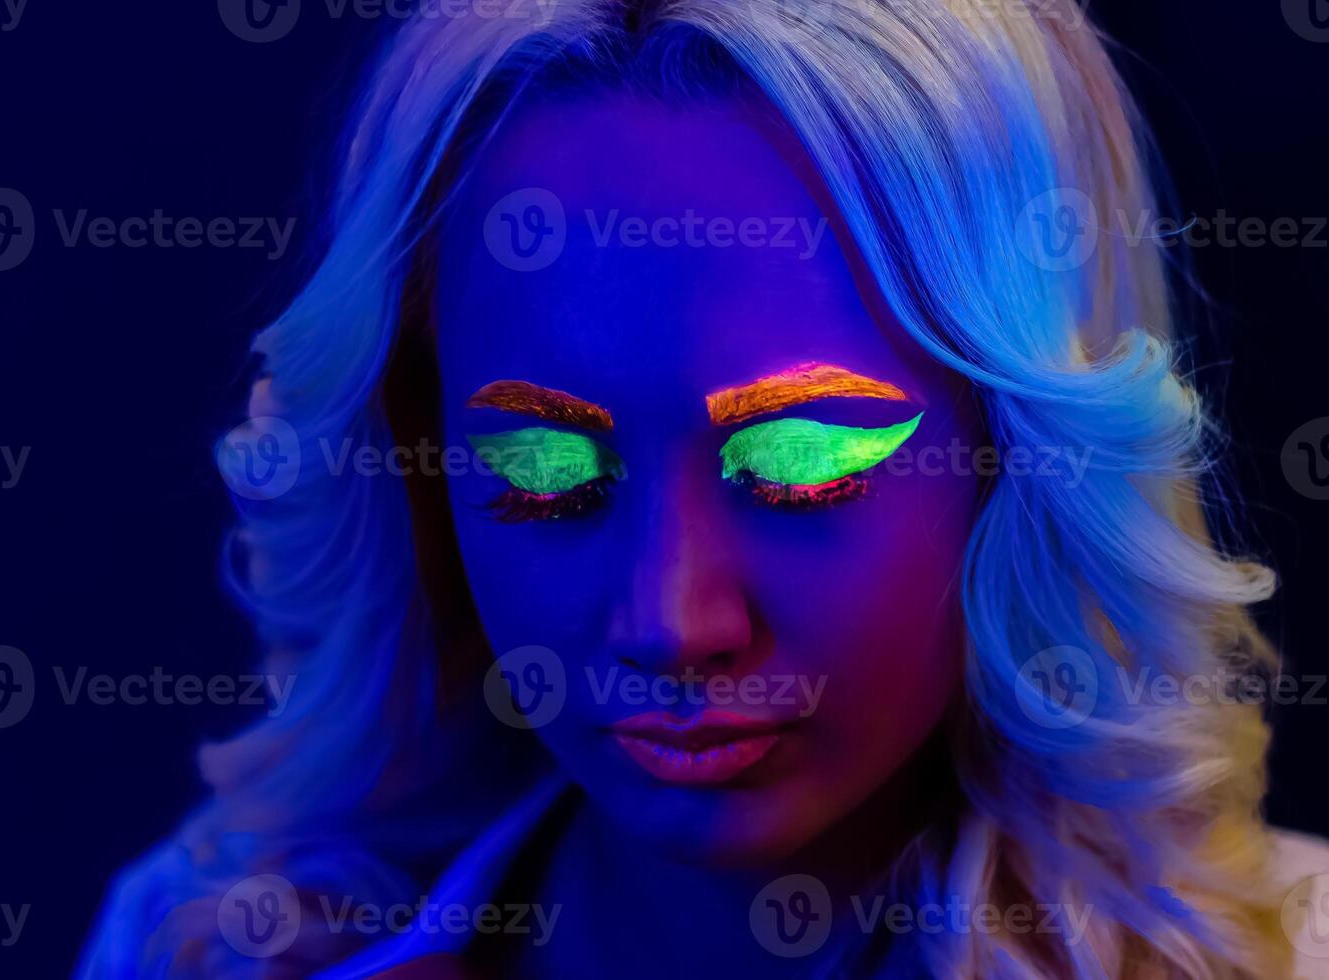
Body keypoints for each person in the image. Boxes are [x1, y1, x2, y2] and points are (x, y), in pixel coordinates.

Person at [79, 1, 1329, 976]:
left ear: (1026, 452)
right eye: (544, 471)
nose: (673, 624)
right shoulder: (207, 946)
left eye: (798, 460)